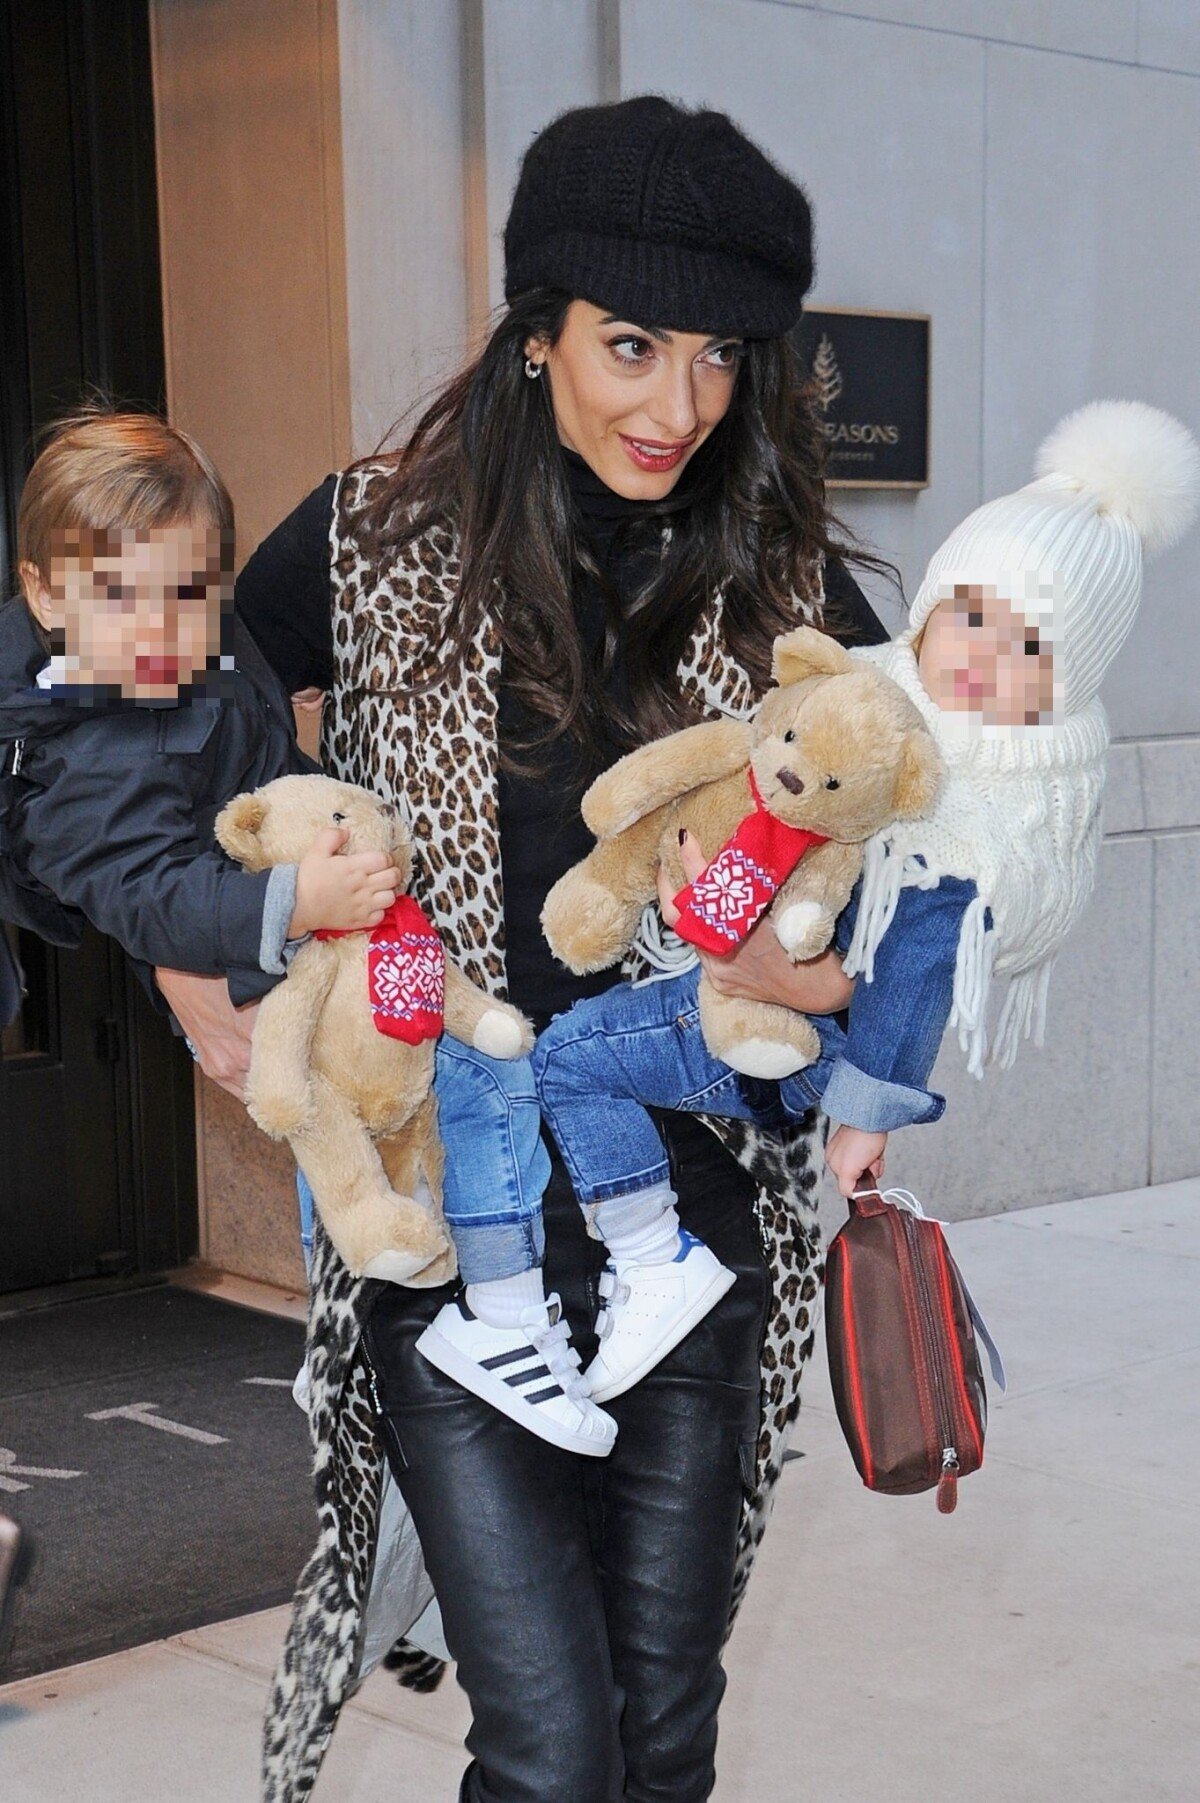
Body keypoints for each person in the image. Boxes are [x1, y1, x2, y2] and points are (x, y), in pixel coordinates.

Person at [173, 97, 889, 1801]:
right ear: (539, 331)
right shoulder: (373, 539)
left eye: (723, 358)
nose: (679, 405)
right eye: (634, 344)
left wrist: (837, 986)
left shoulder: (775, 571)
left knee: (661, 1727)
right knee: (554, 1745)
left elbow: (901, 836)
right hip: (448, 1221)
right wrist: (211, 972)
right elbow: (178, 719)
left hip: (693, 1217)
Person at [528, 396, 1199, 1399]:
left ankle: (650, 1262)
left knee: (566, 1062)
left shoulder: (977, 812)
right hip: (744, 971)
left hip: (783, 1035)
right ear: (930, 609)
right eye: (969, 619)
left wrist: (864, 1116)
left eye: (1024, 652)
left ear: (1065, 683)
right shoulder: (882, 698)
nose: (978, 658)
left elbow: (921, 961)